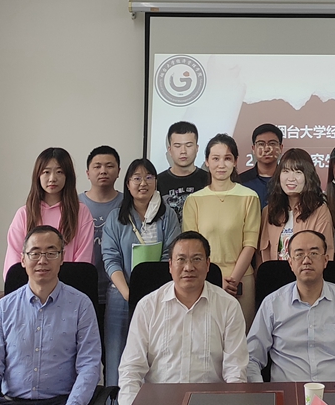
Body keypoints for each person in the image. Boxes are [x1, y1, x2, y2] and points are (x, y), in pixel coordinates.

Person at [117, 231, 248, 405]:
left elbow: (236, 372)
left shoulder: (228, 307)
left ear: (208, 264)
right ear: (170, 265)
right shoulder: (148, 307)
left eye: (196, 259)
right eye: (181, 259)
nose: (188, 267)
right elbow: (131, 370)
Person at [0, 225, 102, 405]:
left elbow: (89, 366)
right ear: (23, 259)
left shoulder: (81, 305)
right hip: (12, 401)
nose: (42, 260)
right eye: (35, 253)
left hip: (62, 401)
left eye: (51, 253)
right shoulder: (4, 308)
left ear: (62, 258)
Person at [247, 230, 335, 382]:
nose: (306, 260)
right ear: (290, 263)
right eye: (299, 254)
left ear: (325, 260)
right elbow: (251, 358)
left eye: (314, 253)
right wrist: (262, 390)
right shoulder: (272, 304)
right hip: (288, 392)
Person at [101, 158, 181, 387]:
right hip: (121, 294)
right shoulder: (116, 217)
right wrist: (129, 293)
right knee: (117, 351)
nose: (143, 183)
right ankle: (116, 397)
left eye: (148, 177)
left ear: (156, 182)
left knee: (157, 351)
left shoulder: (168, 216)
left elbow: (170, 255)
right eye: (136, 178)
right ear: (127, 184)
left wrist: (151, 294)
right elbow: (111, 259)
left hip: (159, 295)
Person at [183, 133, 261, 328]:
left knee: (241, 339)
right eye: (215, 158)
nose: (221, 164)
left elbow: (250, 244)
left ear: (235, 161)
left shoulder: (249, 197)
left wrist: (232, 281)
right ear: (207, 162)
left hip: (241, 280)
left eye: (227, 158)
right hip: (204, 280)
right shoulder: (194, 200)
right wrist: (215, 281)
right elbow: (192, 248)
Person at [4, 147, 93, 279]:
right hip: (30, 288)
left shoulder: (81, 212)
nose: (52, 178)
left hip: (70, 288)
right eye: (46, 172)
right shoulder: (24, 214)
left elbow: (83, 263)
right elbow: (14, 262)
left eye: (59, 172)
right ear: (38, 176)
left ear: (68, 176)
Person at [78, 145, 123, 382]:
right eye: (97, 166)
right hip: (84, 293)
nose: (103, 171)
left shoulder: (127, 203)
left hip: (118, 292)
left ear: (119, 171)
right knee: (86, 357)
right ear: (88, 172)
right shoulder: (75, 204)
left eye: (109, 166)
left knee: (115, 357)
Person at [258, 148, 334, 264]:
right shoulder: (269, 211)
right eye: (286, 171)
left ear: (308, 176)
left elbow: (324, 254)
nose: (291, 178)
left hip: (308, 274)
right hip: (275, 274)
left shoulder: (319, 210)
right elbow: (262, 254)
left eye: (298, 172)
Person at [156, 121, 210, 224]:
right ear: (170, 150)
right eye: (177, 146)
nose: (183, 151)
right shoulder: (158, 182)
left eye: (188, 145)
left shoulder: (209, 180)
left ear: (197, 148)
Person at [239, 123, 284, 209]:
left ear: (281, 148)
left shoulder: (288, 181)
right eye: (261, 144)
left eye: (272, 143)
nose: (266, 149)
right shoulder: (241, 181)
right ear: (253, 149)